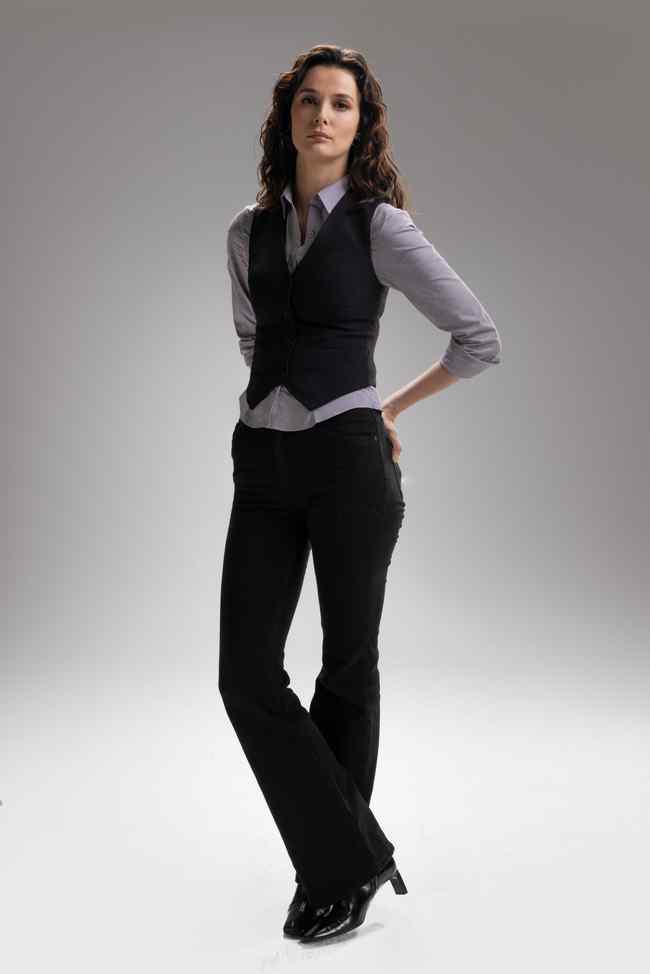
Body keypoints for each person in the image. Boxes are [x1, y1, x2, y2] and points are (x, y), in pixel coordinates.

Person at [218, 44, 502, 944]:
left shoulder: (381, 227)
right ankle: (357, 852)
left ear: (360, 123)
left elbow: (477, 337)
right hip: (263, 460)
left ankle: (332, 873)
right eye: (309, 100)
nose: (323, 116)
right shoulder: (246, 232)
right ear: (288, 117)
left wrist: (386, 406)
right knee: (245, 674)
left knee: (347, 665)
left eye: (341, 103)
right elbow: (254, 341)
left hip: (348, 461)